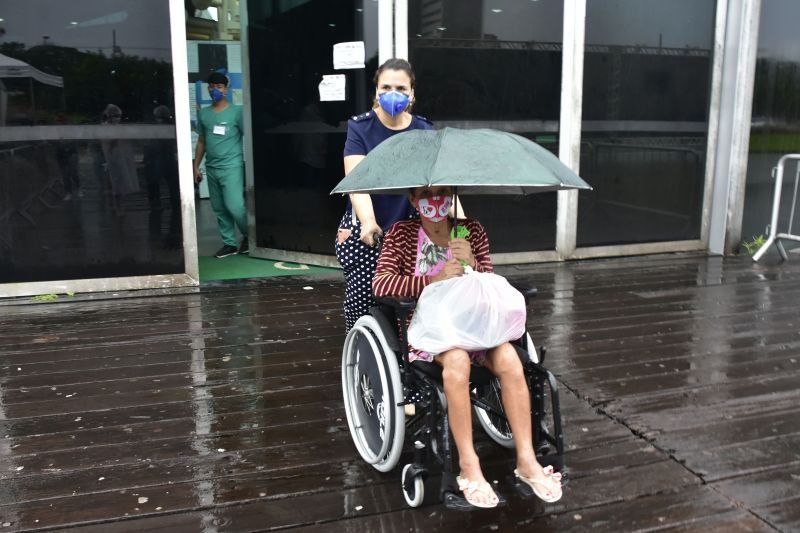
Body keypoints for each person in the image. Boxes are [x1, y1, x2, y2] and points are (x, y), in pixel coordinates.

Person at [372, 185, 563, 509]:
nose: (436, 200)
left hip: (476, 325)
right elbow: (381, 283)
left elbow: (491, 286)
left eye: (444, 192)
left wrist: (474, 263)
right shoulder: (401, 234)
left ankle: (527, 460)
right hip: (431, 330)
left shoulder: (470, 229)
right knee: (457, 361)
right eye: (427, 194)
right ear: (414, 200)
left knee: (510, 360)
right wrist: (431, 280)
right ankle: (469, 464)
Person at [335, 58, 434, 331]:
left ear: (412, 93)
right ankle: (361, 356)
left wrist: (463, 228)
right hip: (367, 229)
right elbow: (357, 182)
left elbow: (438, 186)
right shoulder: (361, 127)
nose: (393, 94)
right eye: (386, 87)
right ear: (376, 91)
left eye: (401, 88)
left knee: (414, 301)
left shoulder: (424, 130)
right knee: (364, 303)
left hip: (411, 230)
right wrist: (368, 221)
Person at [193, 72, 248, 258]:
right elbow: (201, 141)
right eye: (212, 86)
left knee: (235, 205)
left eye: (219, 86)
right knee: (219, 207)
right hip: (212, 167)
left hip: (232, 166)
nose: (215, 90)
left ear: (226, 89)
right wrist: (196, 166)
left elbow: (248, 136)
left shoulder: (237, 112)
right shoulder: (204, 114)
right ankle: (229, 243)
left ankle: (250, 237)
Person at [101, 104, 140, 215]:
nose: (117, 118)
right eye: (115, 116)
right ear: (109, 116)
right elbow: (107, 143)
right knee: (114, 185)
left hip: (119, 160)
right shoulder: (105, 127)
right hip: (111, 160)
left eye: (118, 116)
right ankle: (116, 207)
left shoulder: (119, 127)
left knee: (120, 185)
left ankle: (118, 207)